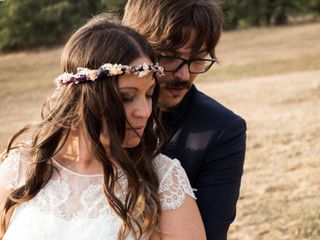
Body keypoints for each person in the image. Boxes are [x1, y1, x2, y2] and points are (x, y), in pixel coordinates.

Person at [0, 14, 206, 240]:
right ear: (77, 95)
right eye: (127, 97)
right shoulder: (21, 169)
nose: (144, 111)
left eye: (148, 95)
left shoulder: (164, 182)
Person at [123, 0, 247, 239]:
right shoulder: (90, 114)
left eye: (198, 57)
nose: (184, 75)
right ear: (130, 43)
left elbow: (210, 233)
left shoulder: (222, 130)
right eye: (169, 56)